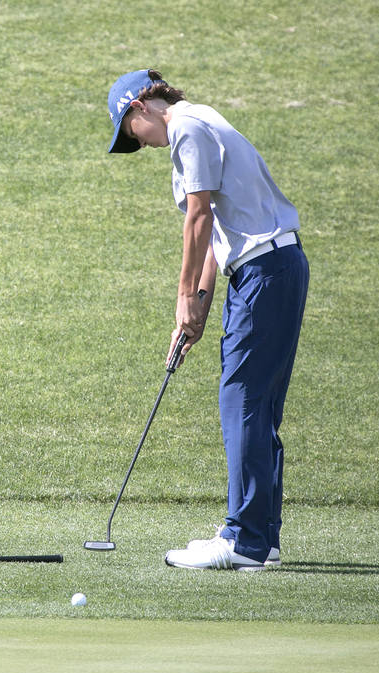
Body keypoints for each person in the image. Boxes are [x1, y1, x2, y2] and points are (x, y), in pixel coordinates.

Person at [106, 69, 309, 571]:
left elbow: (197, 216)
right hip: (270, 268)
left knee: (240, 399)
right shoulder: (204, 119)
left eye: (134, 134)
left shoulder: (187, 128)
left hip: (265, 270)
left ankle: (244, 541)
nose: (145, 145)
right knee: (255, 405)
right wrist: (198, 301)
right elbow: (219, 229)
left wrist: (181, 297)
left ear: (142, 107)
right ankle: (260, 535)